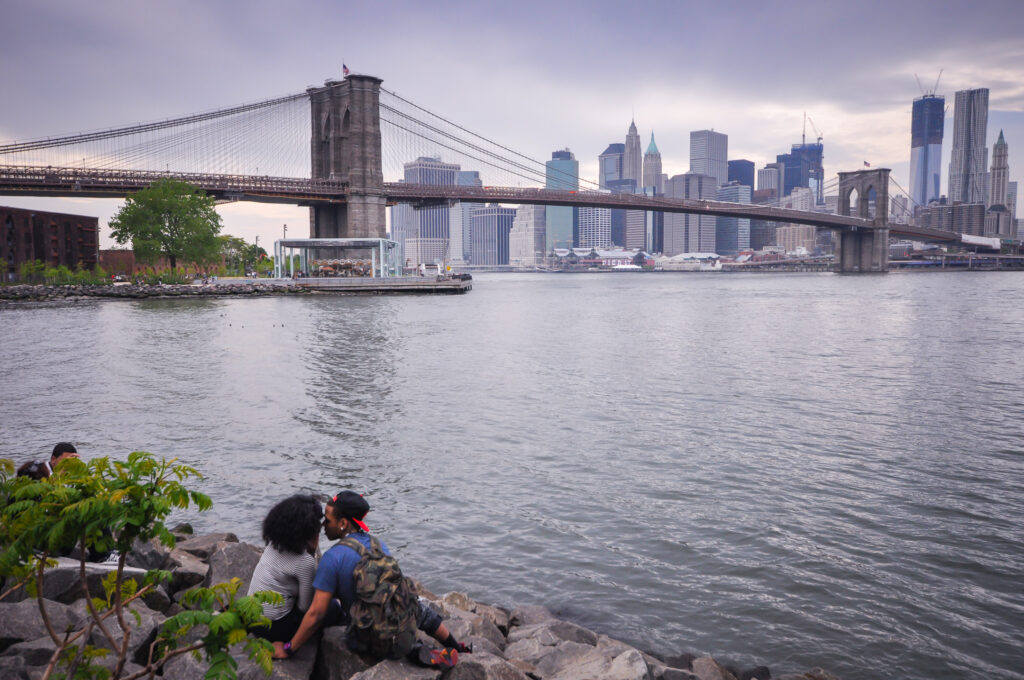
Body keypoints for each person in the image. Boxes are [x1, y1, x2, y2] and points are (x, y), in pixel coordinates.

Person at [272, 491, 470, 668]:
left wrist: (289, 648)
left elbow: (316, 613)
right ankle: (456, 647)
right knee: (419, 606)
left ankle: (413, 648)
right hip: (399, 617)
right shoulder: (378, 545)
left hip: (367, 636)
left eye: (328, 520)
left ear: (343, 524)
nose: (323, 525)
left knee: (339, 613)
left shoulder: (333, 558)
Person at [247, 495, 323, 642]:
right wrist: (312, 553)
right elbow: (305, 608)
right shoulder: (305, 562)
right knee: (329, 607)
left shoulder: (273, 544)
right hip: (273, 629)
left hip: (251, 617)